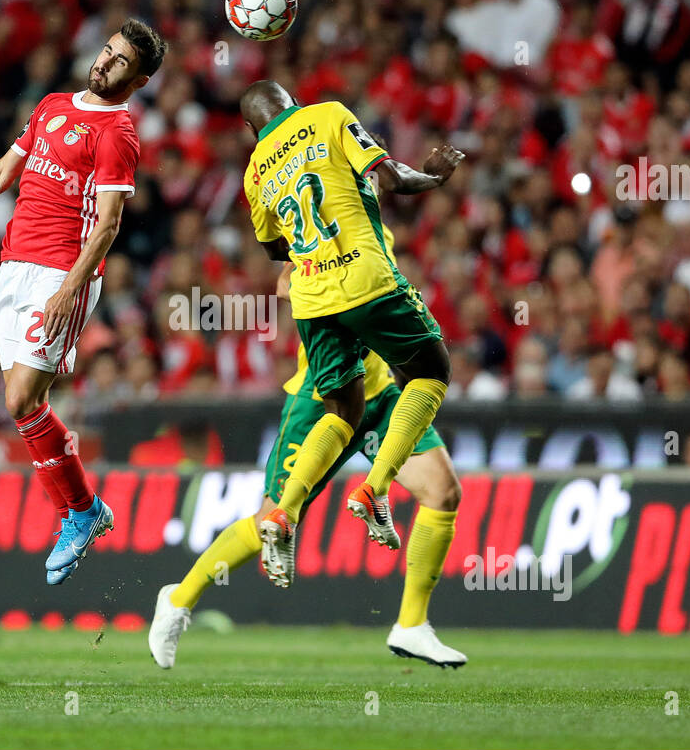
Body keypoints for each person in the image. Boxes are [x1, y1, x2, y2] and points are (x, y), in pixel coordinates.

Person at [0, 18, 166, 584]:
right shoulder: (50, 105)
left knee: (22, 397)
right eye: (106, 52)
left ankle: (80, 512)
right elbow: (3, 172)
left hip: (60, 273)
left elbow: (110, 224)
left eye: (120, 62)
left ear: (139, 80)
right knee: (19, 405)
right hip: (13, 267)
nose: (104, 63)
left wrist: (73, 286)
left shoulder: (117, 132)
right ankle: (84, 511)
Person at [149, 228, 467, 669]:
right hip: (322, 402)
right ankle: (178, 600)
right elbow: (284, 285)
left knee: (443, 492)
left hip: (378, 396)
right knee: (269, 520)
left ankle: (410, 626)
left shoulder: (380, 232)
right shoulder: (315, 231)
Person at [236, 80, 462, 574]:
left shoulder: (256, 169)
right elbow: (394, 178)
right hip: (365, 279)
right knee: (430, 371)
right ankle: (375, 487)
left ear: (251, 129)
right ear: (291, 102)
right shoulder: (327, 115)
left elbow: (274, 249)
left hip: (312, 300)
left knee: (342, 410)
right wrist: (433, 179)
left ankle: (285, 509)